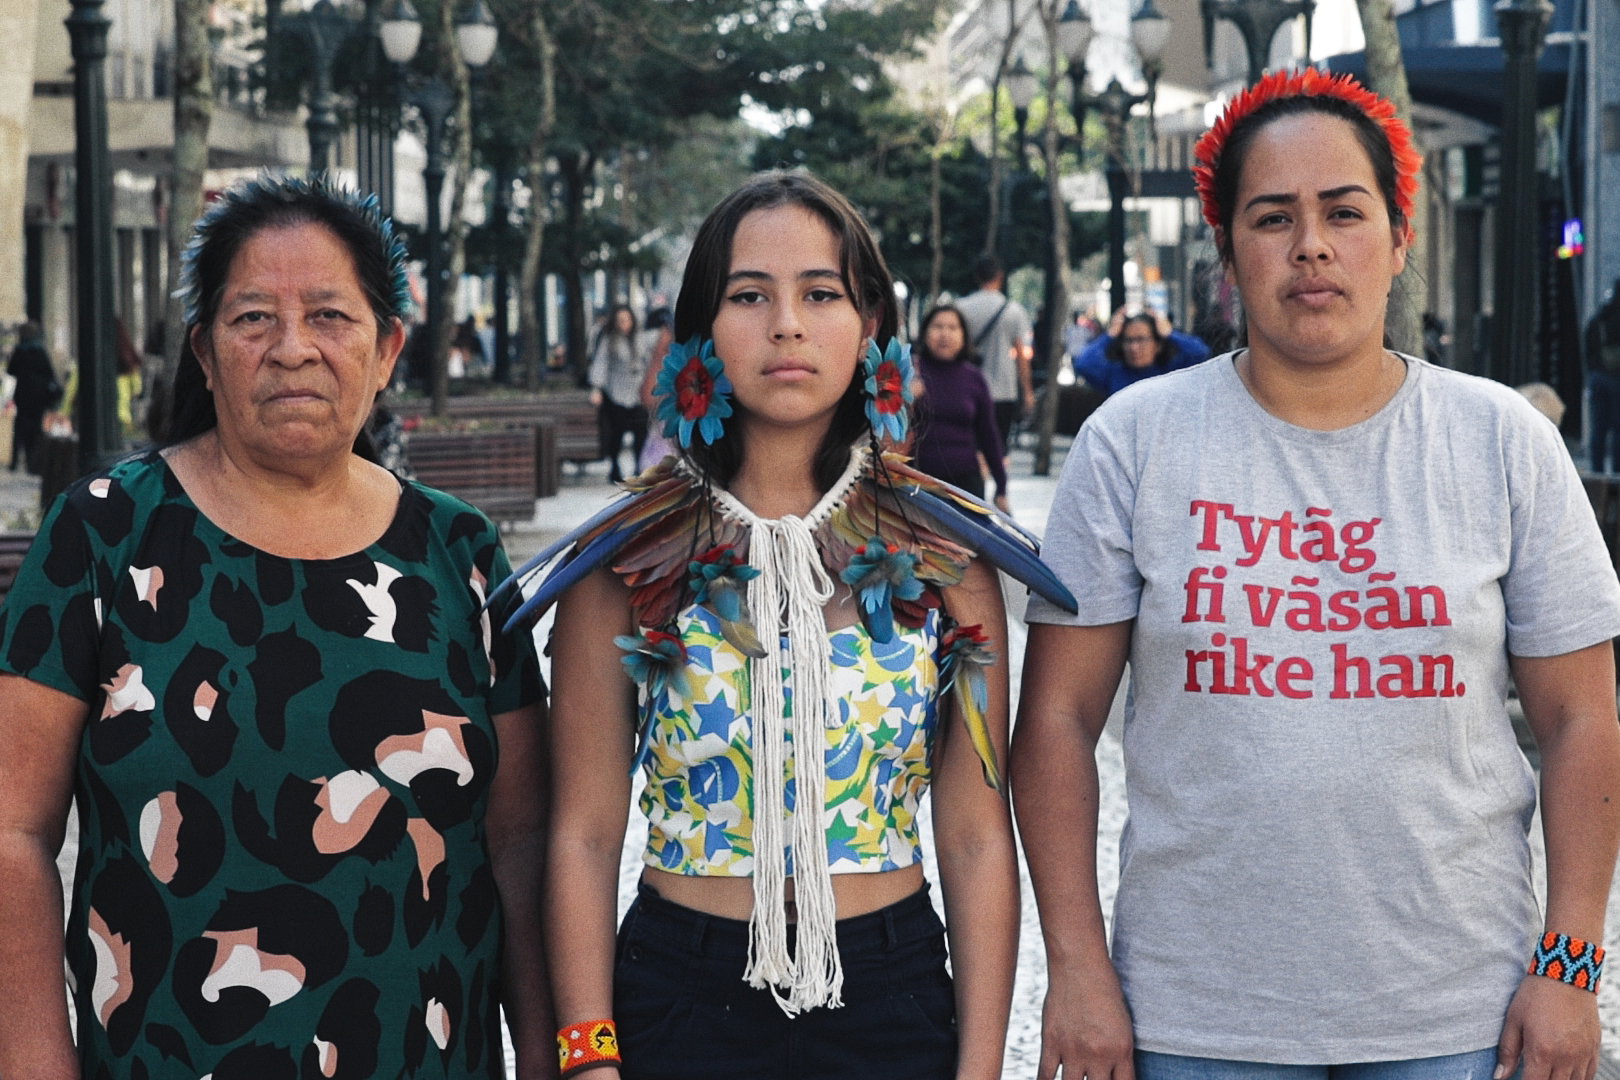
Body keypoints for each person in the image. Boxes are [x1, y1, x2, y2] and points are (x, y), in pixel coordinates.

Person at [1015, 70, 1620, 1080]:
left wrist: (1570, 962)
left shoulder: (1501, 441)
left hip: (1457, 1015)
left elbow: (1582, 722)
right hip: (1195, 1017)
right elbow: (1056, 722)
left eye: (1344, 211)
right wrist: (1075, 966)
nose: (1311, 246)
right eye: (1272, 218)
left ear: (1399, 236)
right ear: (1227, 254)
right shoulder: (1134, 443)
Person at [504, 171, 1075, 1080]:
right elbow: (582, 832)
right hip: (676, 1000)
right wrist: (588, 1057)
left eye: (820, 293)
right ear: (699, 332)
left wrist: (979, 1070)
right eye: (748, 296)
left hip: (892, 1001)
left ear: (870, 324)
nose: (786, 325)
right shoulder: (626, 561)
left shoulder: (947, 561)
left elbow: (973, 836)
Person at [0, 176, 551, 1080]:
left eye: (330, 316)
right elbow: (13, 831)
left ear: (387, 350)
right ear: (205, 353)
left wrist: (555, 1057)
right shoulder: (102, 535)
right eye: (253, 318)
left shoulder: (461, 553)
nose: (293, 348)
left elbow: (522, 842)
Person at [911, 303, 1009, 512]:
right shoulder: (909, 372)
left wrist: (1001, 487)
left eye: (953, 328)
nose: (945, 334)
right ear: (925, 333)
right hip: (915, 482)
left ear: (963, 336)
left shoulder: (974, 378)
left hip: (965, 483)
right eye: (937, 326)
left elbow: (988, 434)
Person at [954, 254, 1033, 452]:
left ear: (976, 277)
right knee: (997, 449)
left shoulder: (960, 308)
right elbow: (1021, 356)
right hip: (1003, 391)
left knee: (969, 447)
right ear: (1000, 276)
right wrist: (1027, 392)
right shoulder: (1013, 310)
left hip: (966, 388)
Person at [1071, 307, 1211, 400]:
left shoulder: (1170, 372)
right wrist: (1110, 335)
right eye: (1128, 340)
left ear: (1158, 345)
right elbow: (1083, 364)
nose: (1134, 347)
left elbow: (1200, 353)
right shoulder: (1114, 374)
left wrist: (1169, 333)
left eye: (1141, 339)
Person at [589, 303, 651, 484]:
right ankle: (614, 467)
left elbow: (650, 361)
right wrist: (596, 388)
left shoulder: (641, 338)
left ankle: (639, 468)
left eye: (627, 320)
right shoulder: (609, 340)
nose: (624, 324)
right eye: (620, 320)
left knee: (641, 431)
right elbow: (601, 363)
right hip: (616, 392)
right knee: (617, 432)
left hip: (638, 391)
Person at [7, 320, 59, 473]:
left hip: (22, 395)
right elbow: (49, 373)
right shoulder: (39, 351)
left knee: (19, 428)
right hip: (39, 396)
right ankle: (32, 462)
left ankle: (15, 461)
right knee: (35, 429)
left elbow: (11, 370)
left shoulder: (19, 351)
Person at [1585, 279, 1620, 472]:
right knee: (1618, 428)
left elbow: (1587, 347)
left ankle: (1596, 471)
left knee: (1598, 428)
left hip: (1598, 376)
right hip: (1617, 379)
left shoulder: (1599, 318)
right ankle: (1617, 472)